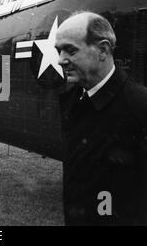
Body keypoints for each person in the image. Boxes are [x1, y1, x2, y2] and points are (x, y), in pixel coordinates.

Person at [55, 11, 147, 225]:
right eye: (58, 51)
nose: (60, 60)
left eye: (70, 50)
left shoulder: (140, 106)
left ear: (103, 50)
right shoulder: (71, 98)